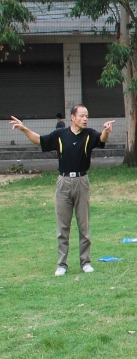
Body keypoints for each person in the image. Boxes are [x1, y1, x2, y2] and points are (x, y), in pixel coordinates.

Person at [10, 107, 114, 276]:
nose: (85, 119)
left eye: (87, 116)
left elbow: (102, 139)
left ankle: (85, 262)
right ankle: (62, 265)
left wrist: (106, 131)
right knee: (63, 227)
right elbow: (39, 140)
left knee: (84, 226)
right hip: (63, 182)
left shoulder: (89, 134)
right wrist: (24, 129)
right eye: (82, 116)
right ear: (73, 117)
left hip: (82, 182)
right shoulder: (60, 134)